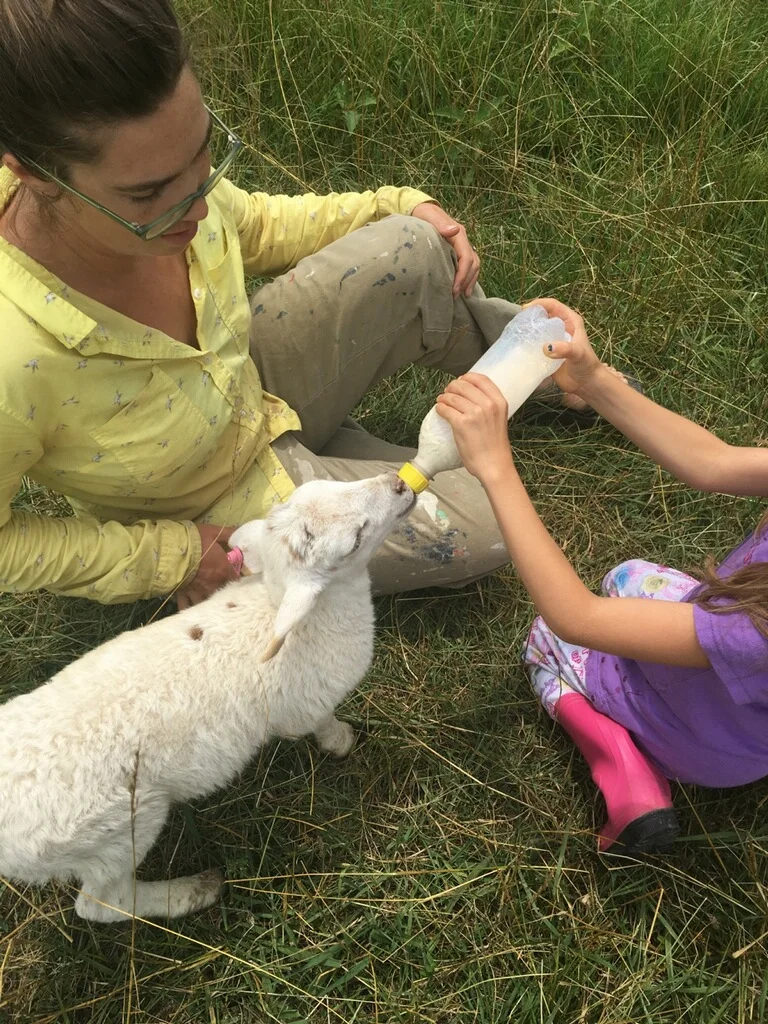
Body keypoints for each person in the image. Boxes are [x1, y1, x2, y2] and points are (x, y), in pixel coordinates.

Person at [3, 0, 599, 610]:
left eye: (203, 153)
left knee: (413, 247)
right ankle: (328, 473)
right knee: (492, 525)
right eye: (149, 193)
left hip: (250, 384)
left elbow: (252, 222)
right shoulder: (12, 352)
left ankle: (563, 371)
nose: (200, 206)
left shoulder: (172, 182)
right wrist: (176, 557)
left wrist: (396, 203)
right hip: (210, 500)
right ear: (34, 172)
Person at [436, 297, 768, 855]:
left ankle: (620, 760)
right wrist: (590, 380)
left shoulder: (756, 629)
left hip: (697, 739)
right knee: (629, 576)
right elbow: (711, 462)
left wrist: (495, 466)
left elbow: (577, 616)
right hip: (747, 733)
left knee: (549, 640)